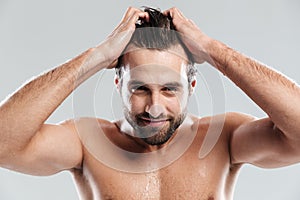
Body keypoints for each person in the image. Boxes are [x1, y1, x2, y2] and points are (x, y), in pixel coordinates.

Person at [0, 6, 300, 200]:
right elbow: (3, 144)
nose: (154, 107)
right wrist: (98, 56)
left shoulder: (225, 139)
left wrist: (214, 51)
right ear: (118, 84)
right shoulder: (87, 143)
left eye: (169, 89)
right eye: (140, 88)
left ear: (191, 86)